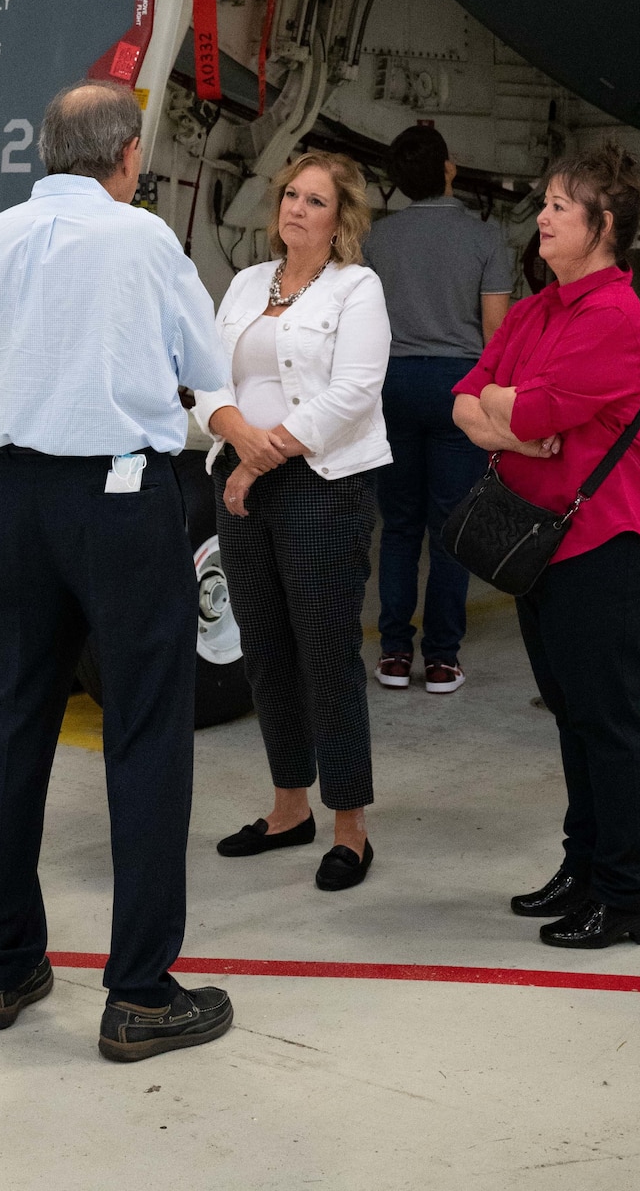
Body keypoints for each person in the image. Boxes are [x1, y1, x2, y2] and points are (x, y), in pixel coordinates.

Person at [0, 80, 235, 1063]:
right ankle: (138, 991)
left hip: (2, 501)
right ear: (126, 156)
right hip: (116, 495)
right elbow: (203, 358)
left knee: (13, 722)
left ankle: (1, 961)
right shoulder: (140, 239)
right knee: (143, 731)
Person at [452, 145, 640, 950]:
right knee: (574, 721)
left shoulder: (612, 316)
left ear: (603, 225)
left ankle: (627, 896)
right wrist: (502, 412)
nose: (541, 217)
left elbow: (529, 414)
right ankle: (583, 868)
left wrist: (509, 414)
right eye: (544, 202)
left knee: (604, 724)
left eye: (558, 205)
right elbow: (465, 399)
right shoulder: (535, 309)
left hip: (610, 546)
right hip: (543, 545)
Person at [193, 152, 392, 893]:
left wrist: (257, 457)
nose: (297, 209)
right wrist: (230, 431)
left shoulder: (356, 288)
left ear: (339, 219)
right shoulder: (247, 283)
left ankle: (349, 826)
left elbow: (353, 393)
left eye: (315, 200)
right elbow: (206, 375)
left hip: (321, 486)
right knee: (265, 650)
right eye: (290, 196)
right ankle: (287, 809)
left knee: (325, 652)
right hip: (239, 481)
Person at [363, 125, 514, 695]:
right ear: (448, 169)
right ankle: (444, 658)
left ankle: (395, 654)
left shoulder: (377, 239)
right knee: (452, 527)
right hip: (460, 387)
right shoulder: (486, 237)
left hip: (392, 383)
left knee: (399, 525)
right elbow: (497, 333)